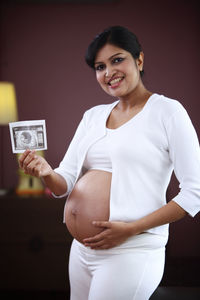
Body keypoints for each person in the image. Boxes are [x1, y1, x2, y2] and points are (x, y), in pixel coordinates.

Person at [19, 26, 200, 300]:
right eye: (99, 66)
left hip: (132, 250)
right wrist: (46, 172)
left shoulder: (167, 112)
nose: (108, 72)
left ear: (139, 60)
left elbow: (194, 193)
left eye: (117, 60)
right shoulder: (92, 116)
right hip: (81, 251)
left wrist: (131, 228)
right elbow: (63, 183)